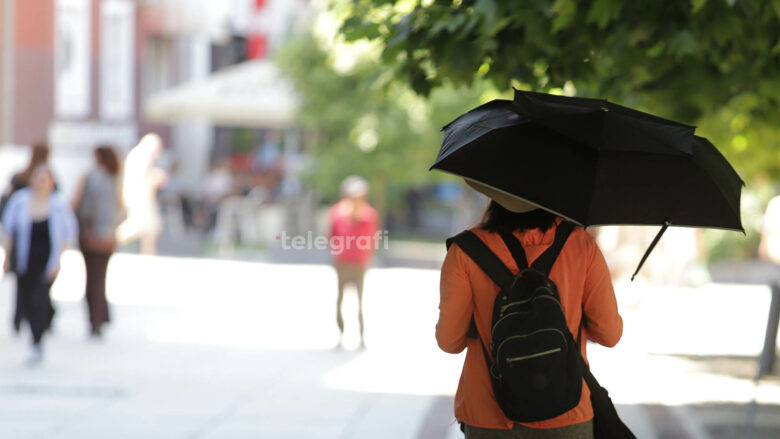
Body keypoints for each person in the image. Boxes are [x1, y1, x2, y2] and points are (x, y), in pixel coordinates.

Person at [436, 183, 623, 438]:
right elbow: (609, 335)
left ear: (494, 194)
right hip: (566, 410)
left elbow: (449, 341)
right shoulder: (581, 246)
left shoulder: (464, 252)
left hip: (487, 414)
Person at [2, 164, 77, 363]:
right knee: (27, 300)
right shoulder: (20, 200)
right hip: (25, 259)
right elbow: (8, 230)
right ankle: (37, 328)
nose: (40, 182)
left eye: (45, 178)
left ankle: (37, 340)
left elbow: (68, 235)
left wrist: (59, 261)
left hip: (47, 260)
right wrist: (7, 257)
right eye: (37, 177)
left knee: (39, 299)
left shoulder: (59, 204)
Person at [72, 146, 123, 337]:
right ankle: (102, 316)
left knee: (92, 279)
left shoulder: (91, 177)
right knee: (100, 278)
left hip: (91, 234)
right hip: (108, 235)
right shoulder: (116, 177)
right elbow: (120, 206)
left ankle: (96, 318)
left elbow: (79, 204)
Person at [0, 143, 50, 334]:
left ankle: (28, 320)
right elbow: (9, 219)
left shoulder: (20, 177)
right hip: (24, 243)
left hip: (39, 246)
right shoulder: (22, 187)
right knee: (24, 285)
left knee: (32, 288)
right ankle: (21, 319)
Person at [328, 176, 379, 349]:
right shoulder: (337, 213)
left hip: (359, 264)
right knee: (340, 299)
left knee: (360, 300)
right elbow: (331, 236)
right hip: (342, 263)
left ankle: (361, 337)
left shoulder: (369, 215)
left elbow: (372, 238)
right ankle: (340, 334)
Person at [116, 133, 167, 255]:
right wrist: (157, 177)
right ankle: (111, 240)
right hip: (139, 197)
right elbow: (142, 178)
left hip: (142, 196)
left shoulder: (140, 155)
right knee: (138, 226)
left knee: (151, 227)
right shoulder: (141, 155)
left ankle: (149, 252)